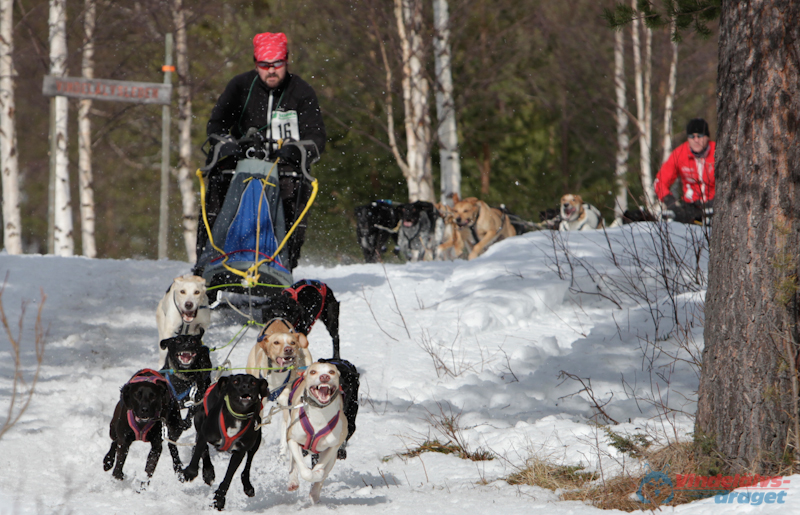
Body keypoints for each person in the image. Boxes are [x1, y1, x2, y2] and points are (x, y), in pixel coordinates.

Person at [195, 32, 326, 271]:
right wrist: (227, 143)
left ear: (287, 61)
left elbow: (316, 137)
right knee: (217, 191)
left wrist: (296, 150)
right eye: (265, 65)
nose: (271, 71)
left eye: (277, 64)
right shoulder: (240, 86)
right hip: (240, 162)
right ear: (256, 64)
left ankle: (284, 264)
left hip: (284, 168)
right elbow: (217, 124)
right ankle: (207, 261)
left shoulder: (301, 91)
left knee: (293, 199)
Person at [654, 118, 715, 224]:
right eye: (692, 136)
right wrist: (671, 203)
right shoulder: (680, 154)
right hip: (690, 208)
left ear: (707, 136)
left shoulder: (718, 151)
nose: (696, 140)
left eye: (700, 136)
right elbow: (660, 182)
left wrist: (717, 201)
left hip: (715, 205)